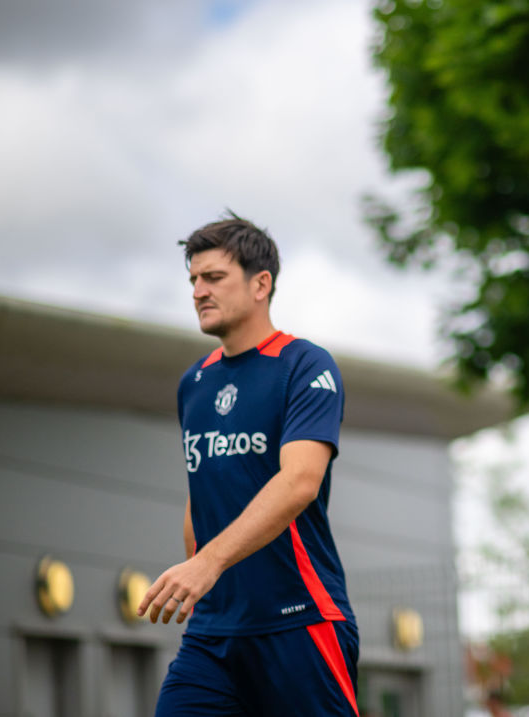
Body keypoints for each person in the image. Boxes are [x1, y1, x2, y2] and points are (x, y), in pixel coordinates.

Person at [138, 212, 360, 716]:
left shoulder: (304, 365)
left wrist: (207, 563)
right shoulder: (193, 383)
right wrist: (198, 576)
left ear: (262, 284)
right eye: (193, 279)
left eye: (213, 277)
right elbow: (203, 492)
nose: (198, 291)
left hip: (299, 620)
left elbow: (300, 481)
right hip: (212, 632)